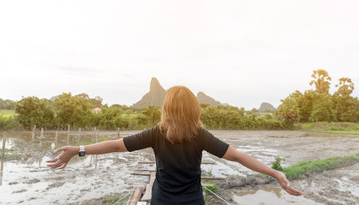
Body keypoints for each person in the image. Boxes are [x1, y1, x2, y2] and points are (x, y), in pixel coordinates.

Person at [47, 86, 303, 204]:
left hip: (161, 200)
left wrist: (79, 150)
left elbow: (116, 146)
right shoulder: (200, 135)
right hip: (193, 201)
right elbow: (236, 156)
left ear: (165, 109)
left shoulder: (157, 133)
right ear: (195, 109)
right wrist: (275, 172)